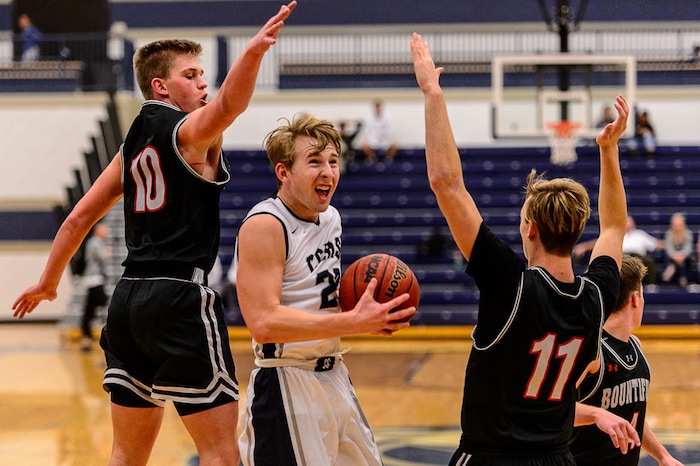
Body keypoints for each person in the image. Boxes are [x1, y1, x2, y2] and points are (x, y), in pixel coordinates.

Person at [12, 3, 296, 465]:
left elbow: (76, 221)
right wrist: (252, 54)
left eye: (204, 74)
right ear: (161, 86)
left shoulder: (131, 145)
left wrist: (48, 283)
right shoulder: (189, 134)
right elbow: (231, 105)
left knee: (126, 453)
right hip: (181, 298)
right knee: (223, 453)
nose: (203, 83)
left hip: (127, 304)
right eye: (192, 75)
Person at [411, 32, 630, 465]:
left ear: (529, 228)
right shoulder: (595, 297)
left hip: (492, 456)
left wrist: (432, 94)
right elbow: (615, 228)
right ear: (575, 229)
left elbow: (447, 184)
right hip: (556, 457)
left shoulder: (510, 283)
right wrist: (608, 150)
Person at [232, 113, 416, 465]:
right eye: (314, 161)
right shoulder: (265, 225)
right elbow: (263, 322)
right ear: (283, 172)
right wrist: (354, 323)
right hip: (287, 383)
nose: (328, 172)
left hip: (335, 376)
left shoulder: (331, 217)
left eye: (333, 161)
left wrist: (368, 311)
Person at [571, 254, 685, 466]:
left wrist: (662, 455)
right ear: (635, 299)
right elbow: (553, 410)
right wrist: (596, 414)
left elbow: (633, 417)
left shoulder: (635, 345)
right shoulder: (593, 351)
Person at [573, 215, 663, 285]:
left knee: (649, 261)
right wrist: (584, 247)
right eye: (626, 222)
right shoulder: (616, 235)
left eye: (629, 222)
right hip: (621, 257)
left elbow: (656, 244)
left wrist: (672, 248)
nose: (627, 224)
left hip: (637, 258)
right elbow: (599, 242)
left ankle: (651, 284)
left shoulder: (640, 234)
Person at [79, 222, 111, 351]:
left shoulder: (97, 242)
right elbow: (102, 257)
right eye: (105, 231)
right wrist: (107, 253)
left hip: (95, 277)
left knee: (90, 306)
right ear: (98, 231)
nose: (107, 234)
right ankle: (91, 328)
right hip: (93, 277)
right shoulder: (95, 242)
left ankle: (86, 332)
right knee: (101, 299)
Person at [661, 212, 695, 287]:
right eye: (676, 225)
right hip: (672, 258)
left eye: (679, 225)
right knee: (671, 260)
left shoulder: (688, 234)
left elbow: (688, 248)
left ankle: (672, 270)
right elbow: (669, 248)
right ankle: (682, 278)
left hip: (685, 258)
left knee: (683, 262)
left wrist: (681, 256)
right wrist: (675, 256)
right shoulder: (669, 234)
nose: (677, 227)